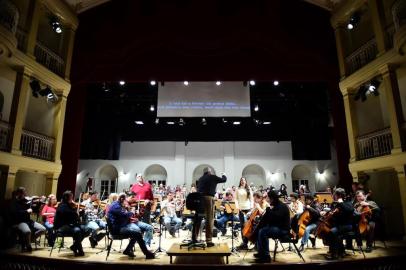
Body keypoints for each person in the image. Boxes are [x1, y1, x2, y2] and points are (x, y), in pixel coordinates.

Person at [107, 193, 155, 259]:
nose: (126, 202)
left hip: (122, 225)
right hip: (118, 229)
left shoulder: (118, 205)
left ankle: (128, 250)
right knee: (137, 233)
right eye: (125, 201)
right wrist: (131, 212)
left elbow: (123, 217)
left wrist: (130, 214)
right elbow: (125, 215)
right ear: (121, 199)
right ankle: (147, 253)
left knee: (137, 233)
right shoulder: (116, 207)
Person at [254, 190, 291, 263]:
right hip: (278, 227)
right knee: (260, 229)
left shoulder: (282, 206)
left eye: (269, 198)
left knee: (263, 231)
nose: (268, 200)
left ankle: (266, 256)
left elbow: (276, 219)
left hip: (283, 229)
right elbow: (272, 219)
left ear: (272, 198)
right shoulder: (276, 205)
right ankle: (261, 253)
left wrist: (268, 211)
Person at [194, 167, 227, 247]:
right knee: (209, 219)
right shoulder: (212, 176)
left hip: (199, 199)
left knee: (198, 219)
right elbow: (223, 180)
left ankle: (194, 238)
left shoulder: (200, 179)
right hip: (208, 198)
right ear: (210, 172)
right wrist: (224, 175)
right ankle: (208, 240)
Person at [321, 188, 354, 260]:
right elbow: (334, 213)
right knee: (329, 232)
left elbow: (350, 210)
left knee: (332, 232)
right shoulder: (336, 204)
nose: (333, 196)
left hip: (347, 225)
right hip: (338, 225)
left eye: (335, 194)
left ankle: (334, 254)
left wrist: (341, 203)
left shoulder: (347, 202)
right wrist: (328, 213)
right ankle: (340, 251)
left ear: (339, 195)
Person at [9, 187, 46, 252]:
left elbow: (35, 210)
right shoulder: (14, 202)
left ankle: (29, 241)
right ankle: (28, 245)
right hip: (20, 221)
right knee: (27, 231)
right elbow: (15, 213)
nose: (26, 194)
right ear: (19, 193)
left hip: (28, 221)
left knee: (43, 229)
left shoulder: (26, 201)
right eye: (24, 193)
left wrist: (40, 202)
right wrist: (26, 211)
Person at [54, 190, 86, 256]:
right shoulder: (62, 206)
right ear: (66, 198)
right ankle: (80, 250)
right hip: (62, 226)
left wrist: (80, 212)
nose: (72, 199)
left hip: (70, 225)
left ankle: (74, 246)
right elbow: (71, 216)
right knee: (77, 231)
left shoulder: (69, 205)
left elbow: (74, 216)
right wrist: (75, 211)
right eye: (71, 197)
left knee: (86, 229)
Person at [235, 177, 253, 250]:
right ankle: (244, 243)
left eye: (244, 180)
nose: (242, 181)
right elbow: (236, 199)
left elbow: (251, 199)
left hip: (248, 209)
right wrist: (237, 207)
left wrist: (251, 208)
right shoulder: (237, 189)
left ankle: (248, 241)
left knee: (248, 227)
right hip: (241, 209)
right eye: (241, 180)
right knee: (242, 226)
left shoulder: (248, 189)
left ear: (246, 181)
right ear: (240, 181)